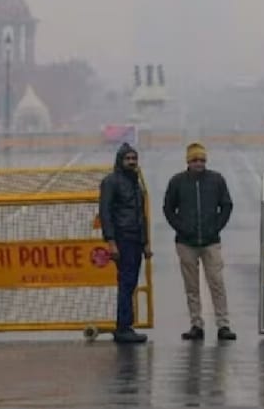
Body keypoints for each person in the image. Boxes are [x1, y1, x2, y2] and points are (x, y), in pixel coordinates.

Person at [163, 142, 236, 341]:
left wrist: (216, 227)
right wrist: (181, 227)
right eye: (195, 160)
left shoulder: (216, 180)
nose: (199, 163)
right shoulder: (177, 181)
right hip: (186, 243)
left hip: (211, 241)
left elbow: (227, 205)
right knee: (192, 286)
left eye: (202, 160)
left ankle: (223, 325)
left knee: (217, 283)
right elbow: (168, 208)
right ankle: (196, 324)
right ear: (188, 161)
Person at [99, 142, 152, 344]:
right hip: (122, 239)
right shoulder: (111, 182)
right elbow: (105, 214)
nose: (131, 162)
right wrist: (111, 242)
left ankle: (125, 325)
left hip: (135, 240)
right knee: (126, 283)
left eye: (134, 159)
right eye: (128, 159)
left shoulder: (135, 183)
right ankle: (123, 327)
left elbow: (141, 215)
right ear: (120, 161)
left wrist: (145, 243)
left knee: (130, 284)